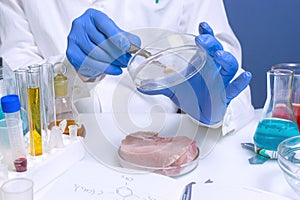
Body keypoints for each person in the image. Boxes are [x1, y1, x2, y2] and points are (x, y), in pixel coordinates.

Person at [0, 1, 254, 135]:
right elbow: (13, 91)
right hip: (63, 153)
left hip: (169, 151)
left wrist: (211, 103)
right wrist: (69, 73)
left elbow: (233, 78)